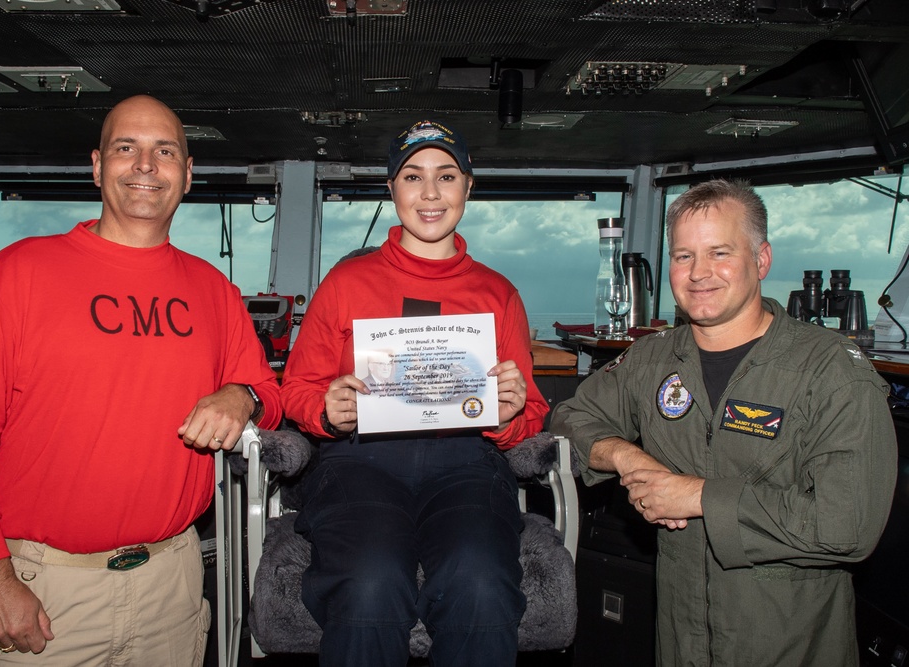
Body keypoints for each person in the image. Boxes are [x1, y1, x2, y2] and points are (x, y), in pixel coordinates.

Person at [0, 95, 282, 665]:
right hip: (44, 589)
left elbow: (270, 394)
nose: (145, 165)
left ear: (187, 175)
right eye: (126, 148)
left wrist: (243, 394)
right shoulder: (17, 275)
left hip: (173, 583)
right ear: (96, 165)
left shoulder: (214, 290)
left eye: (164, 151)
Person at [551, 178, 897, 666]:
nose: (699, 273)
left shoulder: (830, 373)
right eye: (684, 256)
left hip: (787, 641)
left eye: (719, 253)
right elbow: (570, 417)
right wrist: (628, 457)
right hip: (679, 637)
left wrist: (696, 496)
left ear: (761, 260)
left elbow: (848, 527)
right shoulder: (654, 358)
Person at [280, 119, 549, 667]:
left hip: (466, 461)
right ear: (391, 189)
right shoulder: (345, 284)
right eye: (412, 177)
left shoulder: (498, 293)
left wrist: (508, 411)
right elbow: (297, 391)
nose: (430, 193)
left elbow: (531, 414)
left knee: (480, 579)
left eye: (446, 176)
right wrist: (326, 410)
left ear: (468, 187)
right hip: (360, 461)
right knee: (369, 579)